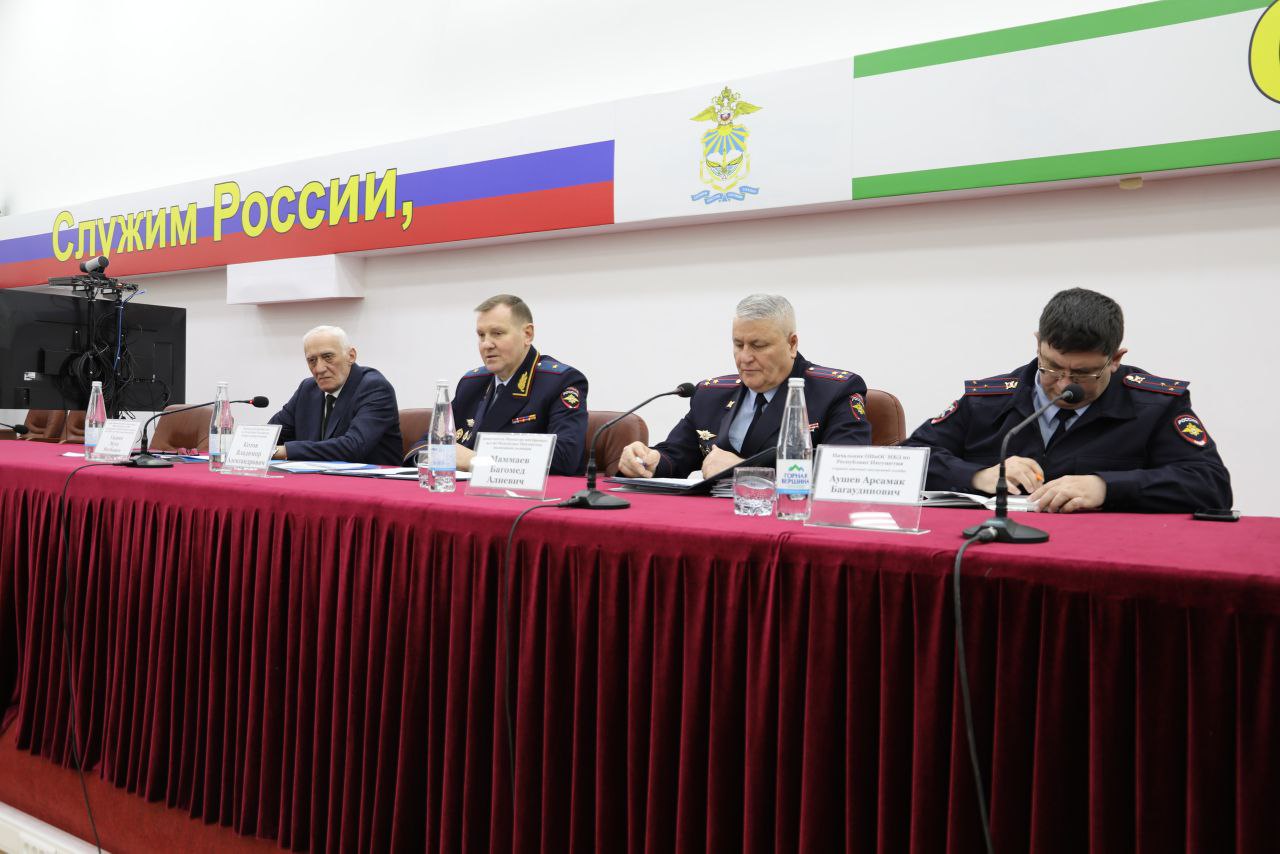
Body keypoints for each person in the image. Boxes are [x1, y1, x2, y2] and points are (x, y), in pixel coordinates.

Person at [904, 287, 1232, 513]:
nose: (1064, 384)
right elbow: (904, 461)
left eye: (1084, 373)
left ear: (1115, 359)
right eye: (1052, 367)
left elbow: (1211, 485)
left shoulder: (1155, 405)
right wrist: (979, 476)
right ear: (1038, 345)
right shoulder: (986, 400)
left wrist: (1106, 487)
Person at [618, 294, 872, 479]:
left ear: (792, 344)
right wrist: (649, 461)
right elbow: (676, 455)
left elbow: (845, 472)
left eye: (759, 346)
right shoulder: (710, 394)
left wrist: (746, 470)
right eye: (738, 344)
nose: (745, 357)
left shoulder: (834, 391)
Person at [405, 294, 588, 476]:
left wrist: (476, 460)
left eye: (497, 333)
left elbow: (566, 457)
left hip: (522, 492)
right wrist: (435, 457)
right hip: (464, 488)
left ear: (527, 334)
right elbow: (426, 444)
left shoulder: (559, 381)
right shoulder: (472, 383)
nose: (486, 344)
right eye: (481, 335)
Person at [268, 325, 403, 466]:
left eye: (328, 357)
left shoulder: (374, 388)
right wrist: (256, 443)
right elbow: (271, 434)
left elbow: (353, 447)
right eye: (312, 360)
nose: (319, 369)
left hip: (372, 478)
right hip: (317, 477)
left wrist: (284, 451)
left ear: (351, 356)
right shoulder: (308, 389)